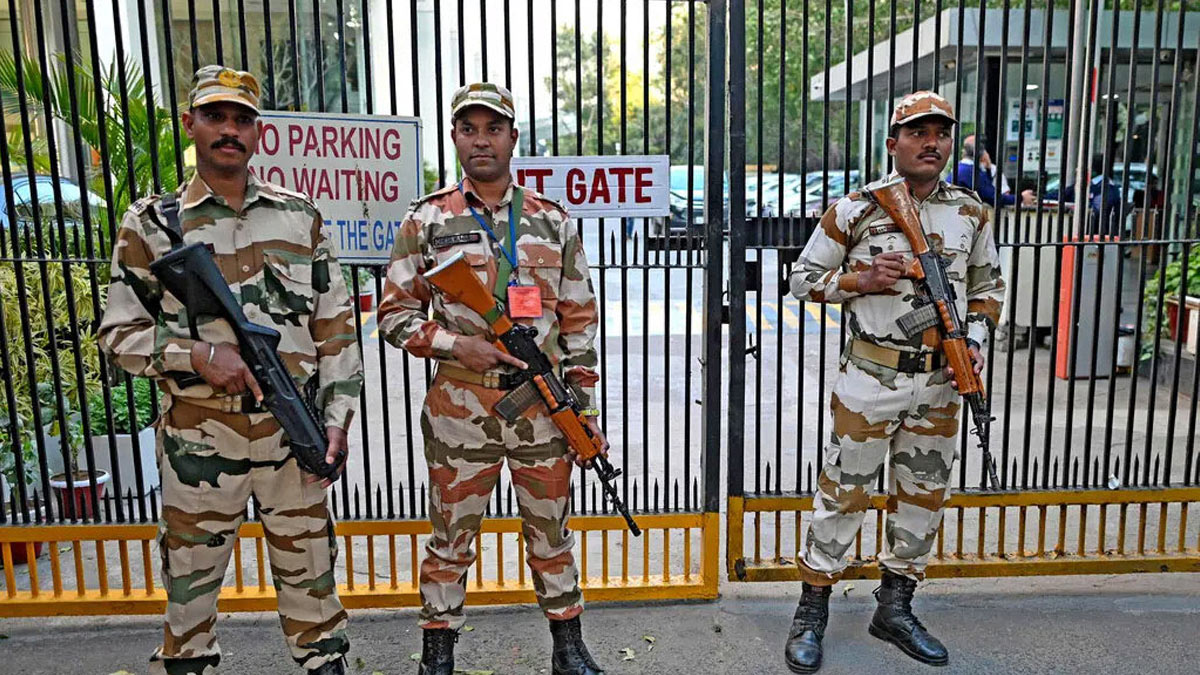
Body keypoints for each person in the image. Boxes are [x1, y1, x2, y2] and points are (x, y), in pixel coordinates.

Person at [98, 65, 362, 675]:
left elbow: (337, 330)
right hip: (198, 438)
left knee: (313, 584)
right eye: (215, 116)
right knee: (190, 590)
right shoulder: (151, 224)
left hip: (289, 435)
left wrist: (337, 420)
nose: (229, 130)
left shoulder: (301, 217)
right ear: (190, 124)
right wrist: (195, 355)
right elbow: (117, 335)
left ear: (258, 134)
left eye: (242, 119)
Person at [376, 82, 606, 675]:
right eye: (469, 128)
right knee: (451, 536)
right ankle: (438, 650)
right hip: (459, 405)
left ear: (513, 138)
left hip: (540, 407)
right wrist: (459, 345)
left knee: (551, 532)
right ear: (455, 137)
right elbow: (394, 316)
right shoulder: (426, 220)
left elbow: (579, 319)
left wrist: (583, 408)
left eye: (494, 128)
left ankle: (568, 645)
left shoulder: (551, 222)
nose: (482, 140)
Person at [783, 91, 1004, 673]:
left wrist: (974, 342)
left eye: (940, 133)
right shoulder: (857, 209)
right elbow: (801, 280)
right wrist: (860, 279)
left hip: (938, 384)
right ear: (893, 143)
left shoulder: (971, 212)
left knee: (922, 498)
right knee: (844, 495)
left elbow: (988, 289)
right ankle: (812, 612)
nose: (931, 143)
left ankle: (896, 608)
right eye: (917, 133)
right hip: (871, 376)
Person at [1045, 155, 1128, 233]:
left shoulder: (1107, 188)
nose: (1077, 169)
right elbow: (1057, 196)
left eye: (1081, 166)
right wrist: (1037, 197)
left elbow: (1096, 210)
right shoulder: (1083, 185)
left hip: (1096, 235)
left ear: (1092, 169)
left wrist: (1074, 207)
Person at [952, 134, 1034, 208]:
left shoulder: (959, 169)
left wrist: (988, 170)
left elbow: (986, 191)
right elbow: (993, 198)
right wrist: (1021, 198)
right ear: (983, 154)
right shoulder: (972, 172)